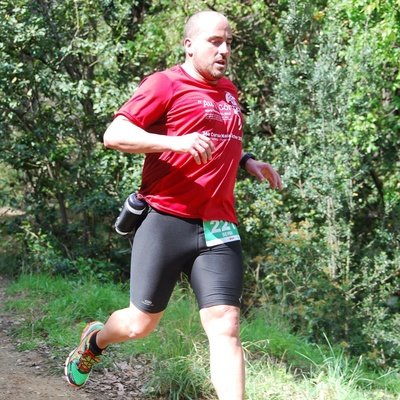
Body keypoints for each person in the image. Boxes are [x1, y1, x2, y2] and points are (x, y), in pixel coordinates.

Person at [64, 10, 282, 400]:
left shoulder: (228, 90)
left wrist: (247, 161)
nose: (224, 50)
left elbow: (219, 138)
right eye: (215, 41)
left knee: (226, 324)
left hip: (218, 225)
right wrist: (174, 143)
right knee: (139, 325)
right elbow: (114, 135)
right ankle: (95, 341)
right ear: (189, 45)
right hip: (165, 221)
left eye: (228, 42)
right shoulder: (165, 84)